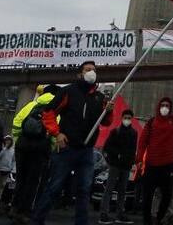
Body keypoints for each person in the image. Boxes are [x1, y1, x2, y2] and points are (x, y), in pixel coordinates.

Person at [31, 61, 113, 225]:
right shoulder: (68, 91)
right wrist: (57, 133)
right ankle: (37, 220)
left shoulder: (99, 97)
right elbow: (48, 113)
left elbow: (105, 123)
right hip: (66, 149)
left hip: (87, 151)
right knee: (54, 186)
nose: (91, 73)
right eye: (88, 70)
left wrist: (108, 111)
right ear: (79, 74)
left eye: (94, 70)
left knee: (84, 190)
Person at [136, 96, 173, 225]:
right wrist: (139, 160)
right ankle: (147, 221)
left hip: (167, 167)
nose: (165, 108)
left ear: (170, 108)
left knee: (167, 197)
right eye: (163, 105)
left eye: (167, 106)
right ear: (158, 107)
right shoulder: (151, 123)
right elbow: (142, 142)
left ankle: (159, 218)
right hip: (151, 166)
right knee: (147, 197)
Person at [12, 85, 60, 224]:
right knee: (34, 182)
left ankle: (14, 208)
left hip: (22, 147)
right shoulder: (55, 109)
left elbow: (16, 123)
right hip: (40, 150)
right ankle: (26, 211)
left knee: (20, 179)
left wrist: (18, 141)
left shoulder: (30, 105)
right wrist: (50, 149)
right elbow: (54, 132)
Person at [99, 109, 138, 224]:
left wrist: (131, 162)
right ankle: (104, 214)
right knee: (109, 190)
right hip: (115, 165)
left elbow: (133, 149)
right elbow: (106, 147)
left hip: (126, 167)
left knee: (122, 191)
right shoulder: (115, 131)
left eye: (129, 118)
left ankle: (120, 214)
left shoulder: (134, 133)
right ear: (122, 118)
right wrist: (114, 158)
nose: (127, 120)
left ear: (132, 119)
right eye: (125, 118)